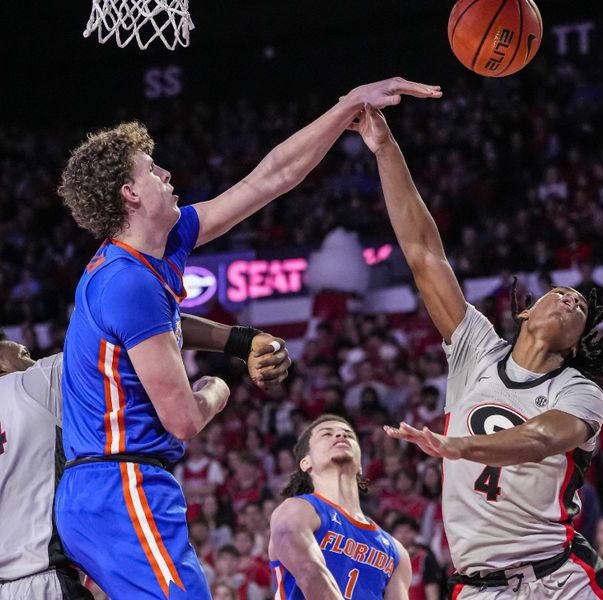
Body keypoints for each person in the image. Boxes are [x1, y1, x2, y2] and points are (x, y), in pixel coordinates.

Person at [54, 77, 440, 599]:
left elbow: (271, 177)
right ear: (129, 194)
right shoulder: (130, 282)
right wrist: (220, 385)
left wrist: (345, 106)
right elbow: (185, 419)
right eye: (151, 169)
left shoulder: (155, 252)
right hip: (120, 489)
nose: (167, 173)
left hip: (99, 489)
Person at [351, 108, 603, 599]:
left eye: (581, 307)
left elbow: (540, 438)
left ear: (577, 341)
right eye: (561, 292)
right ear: (525, 312)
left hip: (559, 576)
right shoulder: (475, 349)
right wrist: (385, 149)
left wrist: (459, 446)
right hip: (481, 587)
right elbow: (423, 253)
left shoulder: (580, 391)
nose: (571, 299)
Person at [0, 317, 290, 600]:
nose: (30, 357)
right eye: (21, 351)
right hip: (40, 581)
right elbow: (136, 322)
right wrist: (221, 379)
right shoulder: (32, 382)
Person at [268, 415, 411, 599]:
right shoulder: (297, 510)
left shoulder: (396, 552)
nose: (341, 435)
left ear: (360, 465)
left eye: (348, 435)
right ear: (306, 462)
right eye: (327, 434)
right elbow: (312, 576)